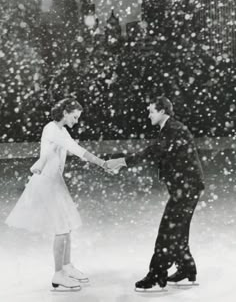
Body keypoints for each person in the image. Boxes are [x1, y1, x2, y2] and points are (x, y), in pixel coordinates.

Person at [5, 97, 110, 289]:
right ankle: (58, 273)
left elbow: (60, 151)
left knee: (67, 225)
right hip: (46, 183)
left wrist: (42, 161)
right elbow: (78, 150)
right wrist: (103, 163)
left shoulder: (62, 130)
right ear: (65, 113)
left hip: (55, 182)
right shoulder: (52, 129)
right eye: (75, 117)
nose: (76, 121)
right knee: (61, 228)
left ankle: (67, 265)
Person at [106, 96, 205, 291]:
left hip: (186, 188)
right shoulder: (171, 129)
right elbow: (159, 152)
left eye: (151, 111)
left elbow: (155, 151)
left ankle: (156, 274)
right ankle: (186, 267)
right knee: (178, 229)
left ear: (162, 111)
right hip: (186, 187)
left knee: (167, 232)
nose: (148, 114)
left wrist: (121, 161)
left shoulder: (174, 129)